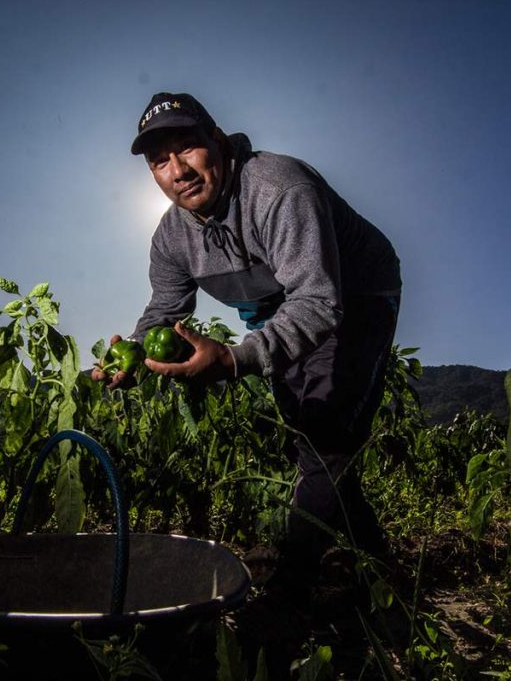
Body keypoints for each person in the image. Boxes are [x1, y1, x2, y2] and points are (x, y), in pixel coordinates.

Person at [93, 91, 402, 586]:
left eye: (188, 148)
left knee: (328, 434)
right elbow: (165, 311)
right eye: (159, 161)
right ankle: (380, 566)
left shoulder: (278, 188)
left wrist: (236, 360)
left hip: (355, 293)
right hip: (278, 307)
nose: (178, 170)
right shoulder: (171, 238)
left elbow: (319, 300)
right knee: (310, 441)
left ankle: (287, 594)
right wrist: (130, 354)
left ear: (217, 140)